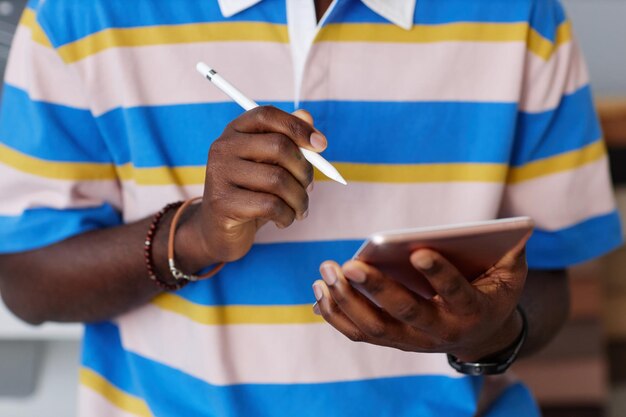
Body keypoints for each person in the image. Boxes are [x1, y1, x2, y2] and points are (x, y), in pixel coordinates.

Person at [0, 0, 621, 416]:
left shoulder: (520, 13)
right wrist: (200, 234)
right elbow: (27, 283)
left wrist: (487, 335)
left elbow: (549, 279)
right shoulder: (79, 14)